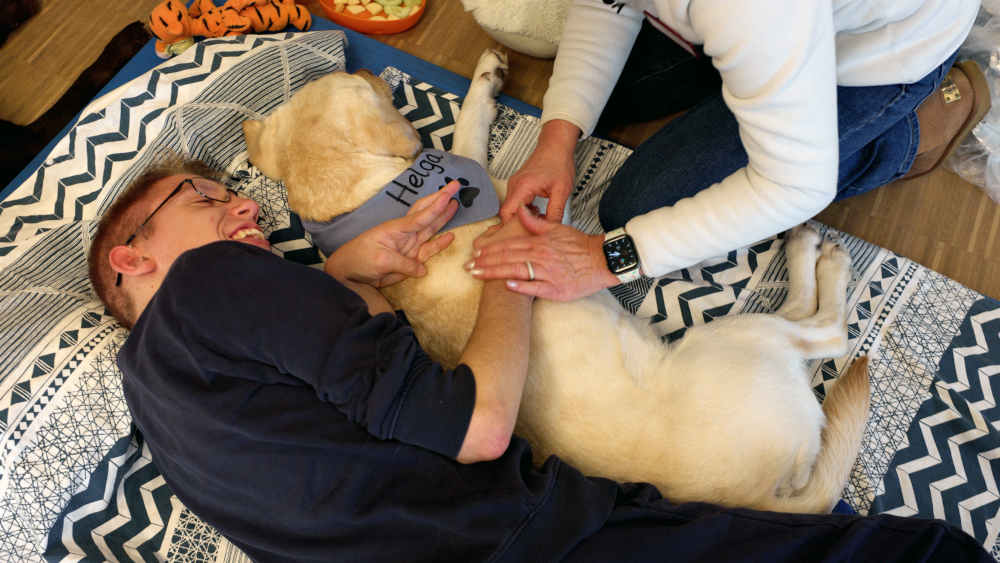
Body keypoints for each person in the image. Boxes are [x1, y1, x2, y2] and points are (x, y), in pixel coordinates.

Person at [87, 158, 992, 562]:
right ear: (133, 254)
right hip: (513, 538)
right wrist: (511, 264)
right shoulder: (208, 283)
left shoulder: (159, 400)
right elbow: (478, 425)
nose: (243, 209)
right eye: (203, 197)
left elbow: (321, 425)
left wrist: (340, 273)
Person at [467, 0, 989, 302]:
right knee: (593, 97)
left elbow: (794, 185)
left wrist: (605, 258)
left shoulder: (753, 9)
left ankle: (915, 125)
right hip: (770, 28)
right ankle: (752, 77)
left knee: (635, 213)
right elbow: (607, 5)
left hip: (877, 55)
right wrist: (558, 137)